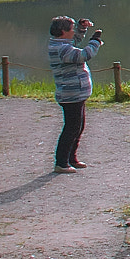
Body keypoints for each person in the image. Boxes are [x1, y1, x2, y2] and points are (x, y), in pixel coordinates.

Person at [48, 16, 101, 173]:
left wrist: (81, 29)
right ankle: (61, 163)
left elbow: (74, 42)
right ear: (63, 32)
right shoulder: (62, 49)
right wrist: (95, 41)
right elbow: (84, 55)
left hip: (75, 94)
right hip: (70, 95)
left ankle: (72, 158)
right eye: (72, 29)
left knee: (78, 127)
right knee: (71, 128)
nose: (74, 32)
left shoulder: (61, 44)